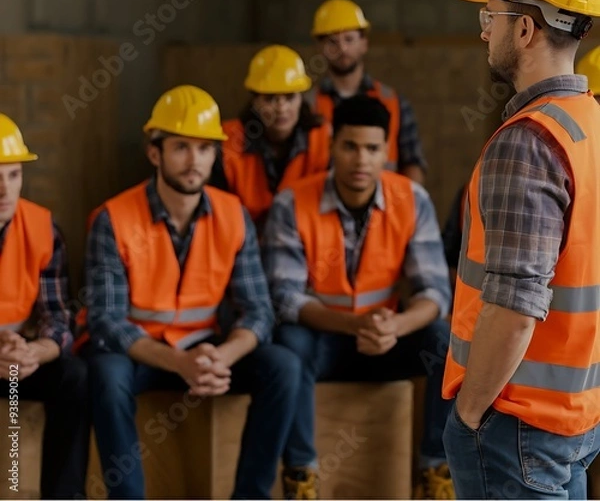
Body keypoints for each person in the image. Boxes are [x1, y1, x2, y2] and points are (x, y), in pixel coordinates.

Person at [78, 85, 301, 499]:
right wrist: (179, 362)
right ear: (154, 153)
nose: (194, 160)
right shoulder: (113, 218)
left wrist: (221, 356)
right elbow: (106, 322)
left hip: (205, 347)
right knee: (106, 375)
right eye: (181, 147)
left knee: (283, 367)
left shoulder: (233, 215)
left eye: (204, 148)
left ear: (216, 154)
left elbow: (259, 313)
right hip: (140, 353)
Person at [442, 0, 600, 499]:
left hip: (513, 424)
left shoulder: (529, 142)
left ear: (525, 28)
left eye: (491, 14)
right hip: (574, 420)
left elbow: (514, 304)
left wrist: (468, 415)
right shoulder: (590, 124)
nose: (485, 30)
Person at [262, 96, 453, 500]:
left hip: (388, 338)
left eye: (372, 149)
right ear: (332, 145)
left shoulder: (411, 199)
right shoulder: (292, 203)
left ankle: (435, 471)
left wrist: (395, 326)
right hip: (325, 340)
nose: (361, 160)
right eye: (350, 147)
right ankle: (301, 476)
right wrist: (355, 324)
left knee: (443, 338)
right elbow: (285, 299)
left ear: (387, 150)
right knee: (287, 344)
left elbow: (435, 293)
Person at [0, 113, 89, 499]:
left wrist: (36, 351)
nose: (3, 189)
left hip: (17, 360)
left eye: (13, 175)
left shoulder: (42, 228)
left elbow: (57, 317)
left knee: (75, 376)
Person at [211, 45, 330, 235]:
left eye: (290, 97)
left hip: (305, 243)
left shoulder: (324, 140)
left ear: (301, 99)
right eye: (270, 99)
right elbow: (214, 211)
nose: (281, 108)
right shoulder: (227, 141)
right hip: (241, 240)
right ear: (254, 101)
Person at [305, 0, 427, 183]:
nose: (342, 48)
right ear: (320, 47)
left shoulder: (393, 102)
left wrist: (408, 206)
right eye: (332, 42)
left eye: (349, 39)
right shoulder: (306, 106)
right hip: (319, 207)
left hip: (385, 207)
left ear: (364, 43)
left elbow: (413, 163)